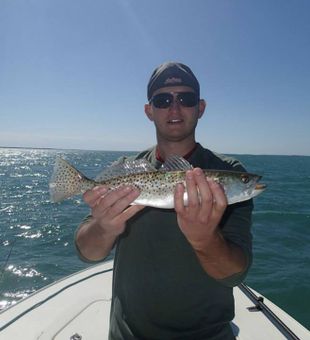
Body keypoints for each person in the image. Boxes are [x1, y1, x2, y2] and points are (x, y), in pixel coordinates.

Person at [75, 62, 253, 339]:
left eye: (186, 99)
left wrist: (204, 239)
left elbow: (235, 275)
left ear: (200, 108)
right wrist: (104, 228)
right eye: (162, 100)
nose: (174, 108)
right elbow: (88, 253)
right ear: (149, 111)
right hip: (127, 332)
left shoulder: (231, 171)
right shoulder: (125, 169)